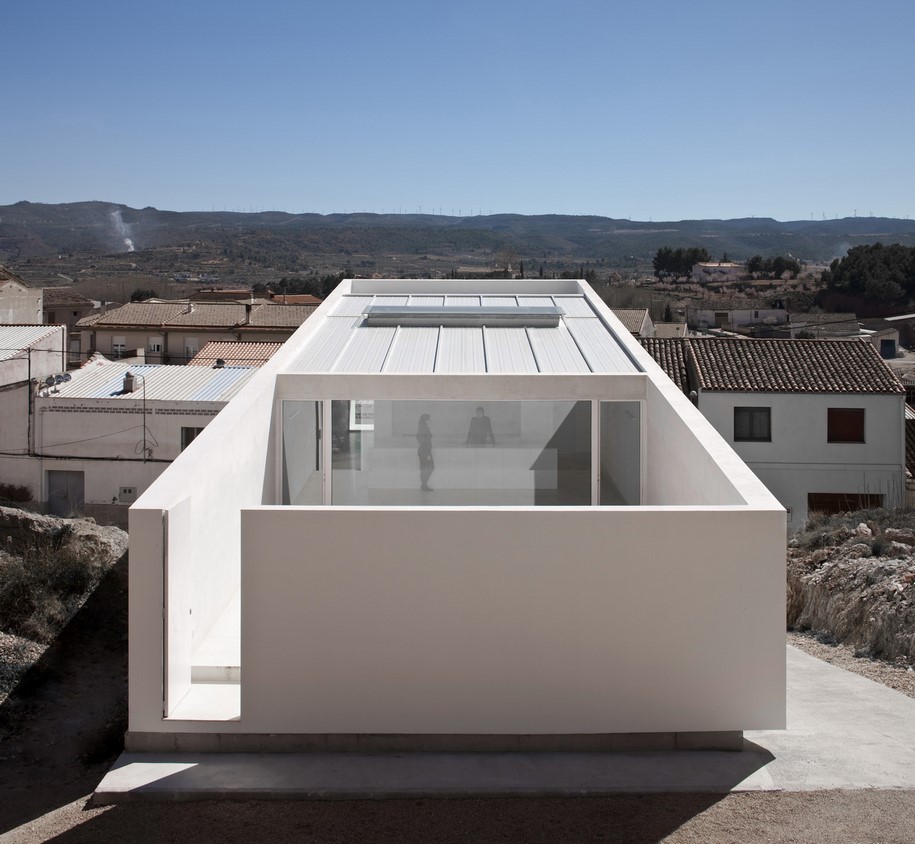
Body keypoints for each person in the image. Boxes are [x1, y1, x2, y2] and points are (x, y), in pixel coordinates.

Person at [416, 413, 434, 491]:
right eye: (429, 419)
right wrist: (427, 454)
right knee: (430, 468)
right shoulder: (424, 429)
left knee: (426, 468)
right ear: (426, 420)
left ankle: (424, 485)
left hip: (423, 451)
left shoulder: (423, 428)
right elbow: (424, 442)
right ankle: (424, 485)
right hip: (425, 451)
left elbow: (420, 439)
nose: (430, 420)